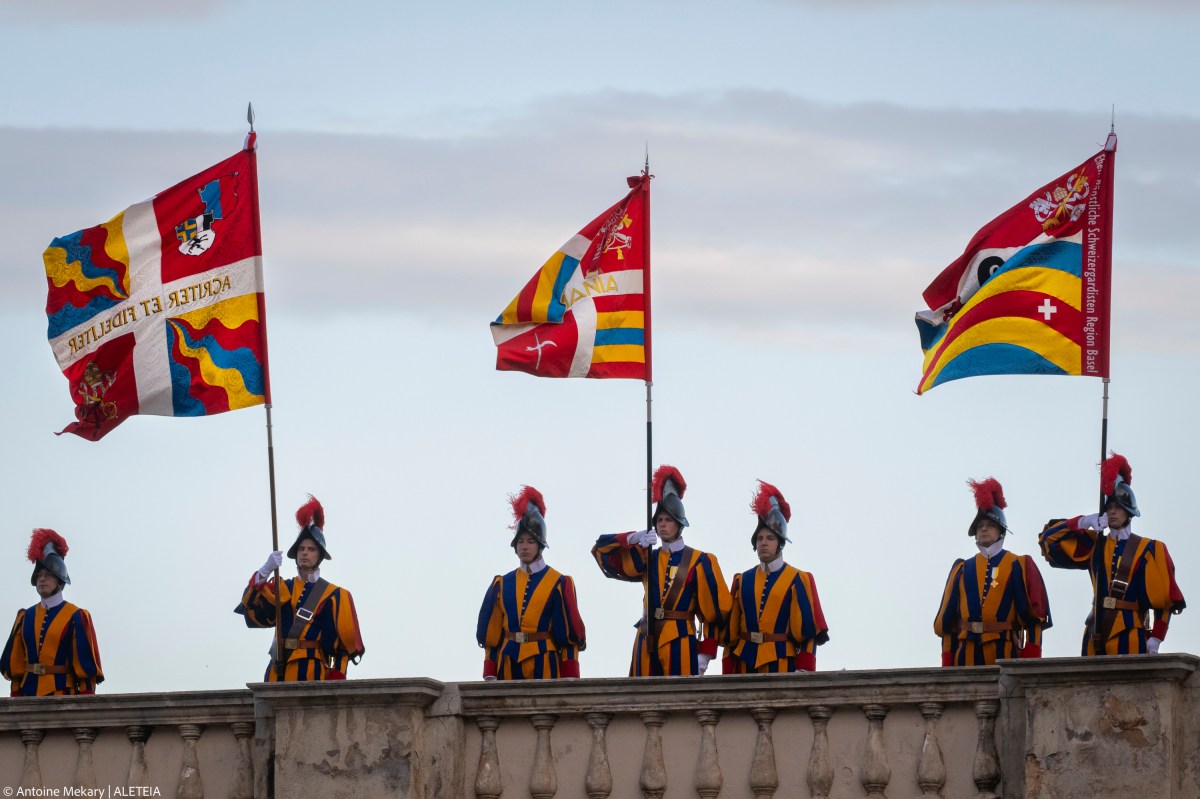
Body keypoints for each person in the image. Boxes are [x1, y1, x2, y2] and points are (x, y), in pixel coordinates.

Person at [592, 464, 731, 676]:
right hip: (646, 637)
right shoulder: (648, 557)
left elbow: (714, 614)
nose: (663, 524)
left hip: (681, 640)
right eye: (659, 520)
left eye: (668, 520)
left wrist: (706, 653)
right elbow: (602, 552)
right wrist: (632, 538)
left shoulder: (700, 561)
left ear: (679, 524)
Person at [1040, 454, 1185, 656]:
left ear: (1129, 512)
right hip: (1095, 630)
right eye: (1109, 508)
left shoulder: (1150, 549)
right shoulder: (1095, 544)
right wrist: (1082, 522)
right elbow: (1049, 540)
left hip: (1130, 632)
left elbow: (1164, 600)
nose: (1113, 512)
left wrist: (1156, 638)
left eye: (1118, 507)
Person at [236, 496, 365, 681]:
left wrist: (336, 680)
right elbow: (250, 608)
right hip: (277, 669)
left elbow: (341, 649)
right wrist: (264, 571)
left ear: (319, 556)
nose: (305, 552)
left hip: (311, 670)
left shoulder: (334, 595)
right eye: (301, 548)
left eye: (311, 549)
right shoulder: (282, 588)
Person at [934, 478, 1051, 666]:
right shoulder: (962, 569)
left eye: (989, 525)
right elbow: (949, 623)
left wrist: (1031, 662)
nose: (983, 529)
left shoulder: (1018, 564)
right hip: (965, 656)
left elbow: (1034, 620)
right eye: (980, 526)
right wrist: (947, 663)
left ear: (1001, 531)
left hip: (1004, 653)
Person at [476, 486, 586, 679]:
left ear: (540, 545)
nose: (524, 547)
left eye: (530, 541)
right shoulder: (502, 583)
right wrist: (490, 672)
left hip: (545, 662)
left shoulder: (559, 583)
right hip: (508, 661)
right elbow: (492, 636)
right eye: (520, 542)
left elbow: (569, 639)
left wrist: (570, 676)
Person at [722, 481, 829, 673]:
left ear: (780, 543)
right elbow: (732, 635)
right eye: (760, 538)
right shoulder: (742, 580)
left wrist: (804, 670)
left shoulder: (797, 579)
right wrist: (727, 673)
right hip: (744, 663)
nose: (764, 543)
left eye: (770, 538)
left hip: (782, 664)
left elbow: (808, 633)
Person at [2, 529, 104, 696]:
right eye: (39, 575)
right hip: (27, 698)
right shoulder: (25, 616)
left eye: (48, 574)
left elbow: (86, 669)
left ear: (59, 580)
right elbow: (16, 664)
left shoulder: (76, 616)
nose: (42, 579)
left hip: (63, 696)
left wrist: (86, 705)